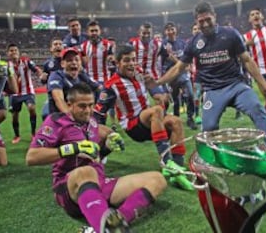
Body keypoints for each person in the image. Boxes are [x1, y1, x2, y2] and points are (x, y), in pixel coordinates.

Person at [145, 2, 266, 182]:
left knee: (257, 109)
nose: (204, 24)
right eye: (200, 21)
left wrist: (263, 84)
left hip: (237, 86)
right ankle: (213, 164)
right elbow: (179, 67)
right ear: (196, 21)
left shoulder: (230, 34)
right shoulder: (194, 42)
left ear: (214, 16)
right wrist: (158, 82)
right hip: (212, 91)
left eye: (207, 19)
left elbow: (247, 60)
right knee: (208, 129)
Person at [26, 83, 166, 233]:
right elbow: (31, 157)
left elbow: (94, 155)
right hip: (68, 187)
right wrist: (72, 148)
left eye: (91, 105)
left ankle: (113, 223)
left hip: (98, 183)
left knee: (157, 180)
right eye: (82, 106)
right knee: (85, 171)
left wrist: (107, 146)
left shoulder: (92, 122)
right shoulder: (56, 121)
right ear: (69, 105)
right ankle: (105, 226)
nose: (87, 111)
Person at [94, 44, 194, 190]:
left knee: (176, 122)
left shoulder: (139, 72)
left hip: (151, 122)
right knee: (157, 111)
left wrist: (160, 95)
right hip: (133, 126)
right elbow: (98, 114)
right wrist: (101, 139)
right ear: (117, 63)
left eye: (134, 60)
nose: (132, 64)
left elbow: (153, 89)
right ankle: (167, 163)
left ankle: (178, 171)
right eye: (127, 60)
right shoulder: (111, 86)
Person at [161, 21, 197, 130]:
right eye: (168, 30)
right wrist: (180, 64)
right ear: (165, 32)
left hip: (183, 74)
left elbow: (188, 56)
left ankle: (190, 118)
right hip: (171, 74)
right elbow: (167, 59)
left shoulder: (182, 42)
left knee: (190, 95)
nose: (171, 31)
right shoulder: (163, 44)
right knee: (176, 99)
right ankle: (176, 120)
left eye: (172, 29)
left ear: (176, 30)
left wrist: (189, 66)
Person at [6, 43, 43, 143]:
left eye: (15, 50)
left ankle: (33, 133)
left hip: (27, 91)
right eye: (11, 51)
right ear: (8, 54)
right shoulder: (6, 66)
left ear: (18, 52)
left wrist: (41, 75)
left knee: (31, 108)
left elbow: (36, 69)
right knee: (14, 116)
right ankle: (17, 135)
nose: (14, 52)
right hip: (14, 94)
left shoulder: (26, 61)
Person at [47, 47, 101, 115]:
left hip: (80, 117)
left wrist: (94, 108)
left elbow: (98, 88)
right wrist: (71, 118)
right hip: (60, 118)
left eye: (77, 60)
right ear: (62, 64)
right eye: (69, 60)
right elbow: (58, 99)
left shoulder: (82, 76)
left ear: (80, 63)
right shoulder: (56, 76)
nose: (74, 62)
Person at [129, 22, 169, 107]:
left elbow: (167, 56)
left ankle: (159, 117)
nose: (146, 35)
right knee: (138, 105)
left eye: (149, 33)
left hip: (152, 78)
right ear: (139, 32)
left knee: (163, 100)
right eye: (144, 33)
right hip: (136, 78)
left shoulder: (158, 44)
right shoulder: (132, 43)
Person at [41, 37, 64, 120]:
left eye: (60, 44)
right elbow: (44, 81)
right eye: (55, 44)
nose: (58, 46)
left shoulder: (68, 61)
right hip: (53, 97)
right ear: (51, 49)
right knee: (51, 118)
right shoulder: (47, 64)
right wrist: (43, 79)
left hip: (67, 95)